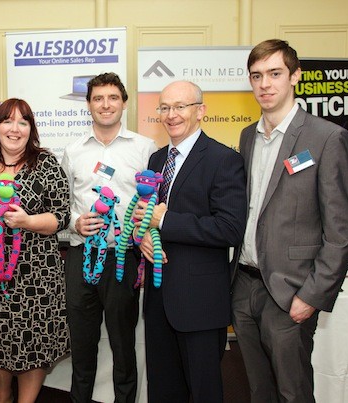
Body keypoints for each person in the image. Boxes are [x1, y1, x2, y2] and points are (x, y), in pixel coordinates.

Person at [231, 39, 348, 403]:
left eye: (275, 74)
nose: (265, 84)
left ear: (295, 76)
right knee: (258, 390)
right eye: (256, 76)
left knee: (293, 392)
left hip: (291, 291)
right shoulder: (248, 136)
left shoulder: (327, 137)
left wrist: (312, 295)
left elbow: (341, 230)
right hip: (245, 286)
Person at [139, 80, 247, 402]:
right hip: (158, 299)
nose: (171, 115)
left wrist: (165, 221)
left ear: (200, 111)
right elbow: (147, 215)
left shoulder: (222, 159)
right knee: (163, 390)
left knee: (203, 392)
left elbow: (229, 228)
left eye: (180, 106)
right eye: (165, 107)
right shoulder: (157, 160)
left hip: (199, 302)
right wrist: (142, 234)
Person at [0, 98, 70, 403]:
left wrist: (28, 221)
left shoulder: (46, 164)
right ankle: (2, 398)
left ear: (30, 129)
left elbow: (62, 215)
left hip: (38, 275)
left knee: (35, 341)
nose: (15, 128)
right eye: (7, 121)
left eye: (23, 122)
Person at [61, 72, 158, 403]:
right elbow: (62, 206)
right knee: (82, 348)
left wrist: (142, 230)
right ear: (88, 105)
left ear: (124, 103)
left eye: (113, 98)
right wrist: (75, 223)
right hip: (80, 258)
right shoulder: (72, 151)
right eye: (98, 98)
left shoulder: (146, 149)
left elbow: (155, 203)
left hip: (122, 258)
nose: (106, 105)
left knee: (123, 346)